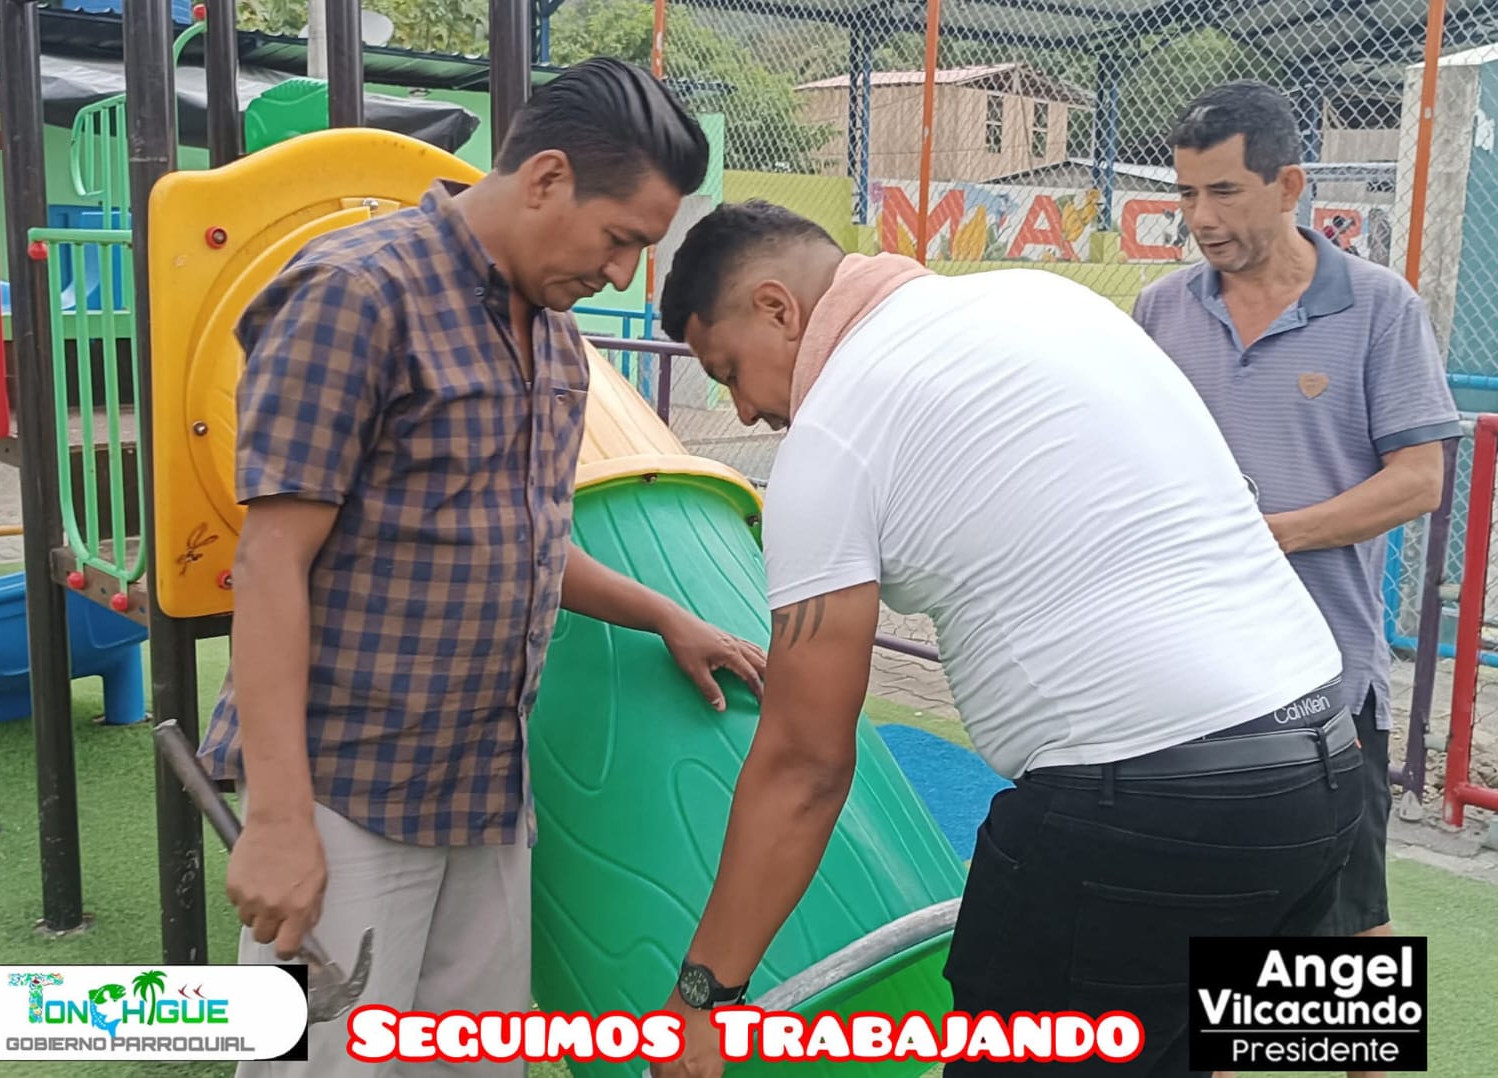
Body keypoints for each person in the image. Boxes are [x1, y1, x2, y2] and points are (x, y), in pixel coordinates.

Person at [645, 199, 1364, 1077]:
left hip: (1146, 809)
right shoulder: (1043, 297)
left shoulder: (831, 434)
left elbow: (805, 762)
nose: (746, 409)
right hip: (1326, 764)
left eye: (728, 371)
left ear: (776, 307)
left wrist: (705, 997)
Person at [196, 58, 767, 1076]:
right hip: (349, 793)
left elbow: (519, 541)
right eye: (620, 239)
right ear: (547, 178)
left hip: (485, 790)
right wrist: (278, 819)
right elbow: (273, 560)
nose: (623, 274)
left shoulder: (557, 341)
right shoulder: (356, 295)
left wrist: (663, 614)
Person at [1132, 80, 1460, 1078]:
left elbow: (1419, 479)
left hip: (1326, 680)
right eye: (1186, 194)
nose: (1200, 219)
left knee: (1346, 940)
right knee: (1209, 931)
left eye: (1224, 192)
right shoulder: (1160, 311)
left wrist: (1268, 536)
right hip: (1191, 683)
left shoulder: (1378, 306)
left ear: (1289, 185)